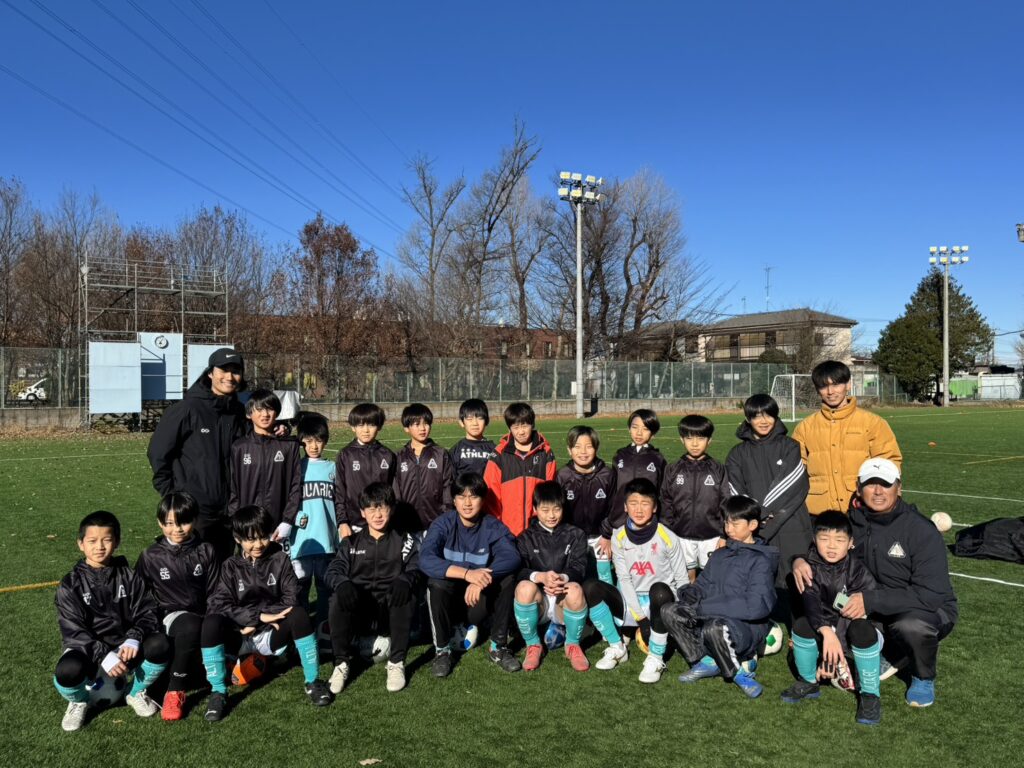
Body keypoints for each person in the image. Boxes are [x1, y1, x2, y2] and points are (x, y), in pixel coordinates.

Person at [793, 458, 957, 708]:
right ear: (859, 489)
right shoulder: (852, 522)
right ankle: (874, 649)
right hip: (869, 602)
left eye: (886, 484)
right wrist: (799, 560)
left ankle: (922, 676)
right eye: (870, 484)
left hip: (923, 608)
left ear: (899, 488)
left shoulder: (921, 530)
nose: (878, 491)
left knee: (911, 626)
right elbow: (822, 544)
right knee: (818, 590)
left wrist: (870, 600)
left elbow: (931, 594)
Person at [200, 505, 332, 722]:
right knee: (211, 622)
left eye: (263, 536)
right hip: (240, 634)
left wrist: (260, 619)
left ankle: (313, 681)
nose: (258, 544)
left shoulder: (280, 559)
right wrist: (254, 617)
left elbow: (291, 598)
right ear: (237, 538)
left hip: (271, 633)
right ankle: (218, 692)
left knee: (298, 613)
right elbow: (217, 603)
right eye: (250, 539)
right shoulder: (230, 566)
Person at [54, 511, 171, 732]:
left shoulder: (129, 576)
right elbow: (73, 631)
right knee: (67, 670)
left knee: (160, 644)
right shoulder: (70, 584)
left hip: (125, 648)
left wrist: (133, 638)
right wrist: (103, 655)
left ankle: (134, 691)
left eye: (106, 540)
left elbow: (148, 611)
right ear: (80, 544)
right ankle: (79, 701)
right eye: (92, 541)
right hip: (88, 650)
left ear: (116, 542)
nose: (100, 547)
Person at [661, 495, 779, 699]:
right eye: (726, 522)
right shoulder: (720, 555)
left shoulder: (761, 561)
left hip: (744, 628)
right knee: (669, 611)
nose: (728, 528)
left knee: (714, 627)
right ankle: (704, 662)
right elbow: (703, 585)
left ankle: (738, 673)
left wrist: (704, 608)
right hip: (710, 618)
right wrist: (690, 594)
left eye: (735, 523)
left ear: (752, 525)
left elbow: (755, 606)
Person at [781, 511, 883, 726]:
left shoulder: (858, 571)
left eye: (839, 540)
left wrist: (838, 653)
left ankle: (870, 694)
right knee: (802, 625)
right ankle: (809, 681)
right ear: (814, 539)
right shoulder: (807, 568)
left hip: (854, 630)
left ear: (851, 543)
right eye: (824, 539)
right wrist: (827, 633)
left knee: (862, 629)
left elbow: (859, 614)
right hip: (826, 629)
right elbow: (811, 606)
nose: (831, 546)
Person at [583, 478, 688, 684]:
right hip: (632, 603)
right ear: (625, 507)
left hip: (661, 603)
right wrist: (640, 619)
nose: (639, 510)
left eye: (645, 503)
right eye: (633, 503)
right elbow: (624, 579)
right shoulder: (619, 536)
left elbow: (682, 579)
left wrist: (683, 614)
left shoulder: (668, 536)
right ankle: (617, 646)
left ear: (655, 507)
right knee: (591, 587)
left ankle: (656, 658)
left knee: (659, 590)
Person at [148, 347, 248, 560]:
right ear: (210, 373)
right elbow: (157, 452)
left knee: (224, 568)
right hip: (195, 510)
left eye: (235, 371)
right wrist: (173, 494)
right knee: (193, 569)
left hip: (230, 509)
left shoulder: (239, 412)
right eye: (224, 370)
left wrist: (278, 430)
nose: (230, 377)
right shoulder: (187, 408)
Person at [420, 472, 522, 676]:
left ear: (483, 500)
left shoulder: (492, 526)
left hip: (476, 602)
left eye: (473, 497)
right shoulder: (442, 524)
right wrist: (467, 574)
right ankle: (442, 651)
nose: (467, 503)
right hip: (449, 603)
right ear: (454, 500)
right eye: (461, 497)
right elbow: (425, 559)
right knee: (436, 583)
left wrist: (479, 579)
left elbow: (512, 556)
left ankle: (498, 647)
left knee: (507, 579)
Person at [325, 482, 421, 694]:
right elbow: (333, 570)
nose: (377, 515)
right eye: (371, 509)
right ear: (362, 512)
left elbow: (416, 567)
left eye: (382, 508)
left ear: (391, 509)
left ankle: (396, 662)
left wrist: (406, 579)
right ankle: (341, 664)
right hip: (361, 612)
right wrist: (342, 583)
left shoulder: (403, 540)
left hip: (389, 612)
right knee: (337, 598)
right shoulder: (351, 543)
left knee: (404, 592)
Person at [134, 492, 220, 720]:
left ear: (195, 520)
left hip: (202, 614)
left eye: (184, 522)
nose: (177, 529)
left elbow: (215, 591)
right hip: (169, 616)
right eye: (170, 523)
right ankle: (174, 690)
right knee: (190, 624)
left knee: (218, 628)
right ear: (160, 523)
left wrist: (214, 621)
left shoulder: (206, 550)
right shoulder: (151, 556)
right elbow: (138, 596)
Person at [726, 394, 812, 619]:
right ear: (748, 419)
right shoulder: (737, 454)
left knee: (798, 581)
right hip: (756, 528)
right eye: (757, 416)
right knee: (757, 581)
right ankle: (760, 627)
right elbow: (736, 492)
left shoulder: (791, 446)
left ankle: (801, 631)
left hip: (790, 522)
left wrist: (760, 516)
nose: (763, 421)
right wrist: (756, 519)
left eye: (769, 415)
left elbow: (792, 485)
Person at [792, 360, 902, 516]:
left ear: (848, 385)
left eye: (836, 384)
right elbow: (795, 471)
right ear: (817, 390)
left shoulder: (873, 423)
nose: (830, 392)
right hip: (819, 513)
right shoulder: (805, 427)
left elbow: (889, 464)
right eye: (823, 386)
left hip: (862, 508)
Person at [513, 481, 590, 672]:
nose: (551, 515)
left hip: (562, 602)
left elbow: (579, 567)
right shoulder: (525, 537)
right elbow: (518, 570)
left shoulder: (576, 534)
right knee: (523, 588)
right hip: (539, 602)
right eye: (545, 510)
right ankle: (533, 645)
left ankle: (572, 645)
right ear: (535, 509)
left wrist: (562, 578)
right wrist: (540, 577)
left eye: (556, 509)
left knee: (575, 589)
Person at [660, 415, 730, 582]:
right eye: (689, 438)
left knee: (711, 578)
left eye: (701, 438)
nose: (695, 443)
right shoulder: (673, 468)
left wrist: (723, 535)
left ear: (709, 440)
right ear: (682, 439)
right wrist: (668, 530)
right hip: (681, 535)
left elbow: (725, 501)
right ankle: (687, 599)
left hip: (711, 535)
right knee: (687, 578)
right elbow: (666, 500)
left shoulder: (718, 469)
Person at [228, 389, 302, 535]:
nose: (265, 414)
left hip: (279, 527)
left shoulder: (289, 446)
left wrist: (287, 521)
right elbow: (233, 488)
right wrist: (235, 520)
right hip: (248, 526)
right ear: (249, 413)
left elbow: (295, 485)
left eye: (270, 409)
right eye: (259, 409)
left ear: (277, 413)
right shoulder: (239, 447)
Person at [288, 413, 338, 622]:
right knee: (300, 588)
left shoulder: (333, 468)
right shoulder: (295, 468)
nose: (314, 446)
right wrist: (295, 517)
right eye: (308, 441)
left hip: (327, 540)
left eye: (318, 440)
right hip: (301, 541)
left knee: (325, 588)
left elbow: (339, 503)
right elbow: (287, 501)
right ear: (301, 442)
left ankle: (323, 627)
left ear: (325, 441)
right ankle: (302, 629)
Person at [483, 402, 557, 536]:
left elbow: (550, 495)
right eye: (516, 427)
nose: (521, 431)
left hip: (538, 532)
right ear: (509, 428)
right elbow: (491, 496)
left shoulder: (545, 453)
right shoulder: (499, 454)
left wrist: (542, 524)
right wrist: (497, 527)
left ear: (532, 424)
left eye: (525, 426)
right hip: (507, 531)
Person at [557, 425, 617, 586]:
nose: (583, 452)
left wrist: (607, 535)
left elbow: (614, 507)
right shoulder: (563, 476)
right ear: (569, 450)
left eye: (588, 446)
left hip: (601, 536)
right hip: (573, 537)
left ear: (596, 448)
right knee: (576, 576)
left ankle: (609, 598)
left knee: (604, 575)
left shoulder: (607, 475)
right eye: (577, 447)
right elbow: (558, 511)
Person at [334, 403, 396, 539]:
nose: (366, 430)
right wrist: (342, 521)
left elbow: (394, 491)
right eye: (361, 425)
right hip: (354, 524)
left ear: (379, 426)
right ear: (353, 427)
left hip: (382, 523)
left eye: (371, 425)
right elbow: (339, 492)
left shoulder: (388, 455)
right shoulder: (346, 455)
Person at [393, 403, 454, 534]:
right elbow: (396, 490)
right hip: (407, 524)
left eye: (426, 423)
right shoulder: (399, 457)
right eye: (417, 424)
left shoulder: (441, 454)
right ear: (406, 428)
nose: (422, 428)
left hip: (436, 523)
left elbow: (448, 486)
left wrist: (447, 515)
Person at [449, 398, 497, 478]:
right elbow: (450, 479)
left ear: (487, 421)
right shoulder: (455, 451)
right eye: (469, 419)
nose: (475, 423)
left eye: (480, 418)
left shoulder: (494, 450)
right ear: (461, 423)